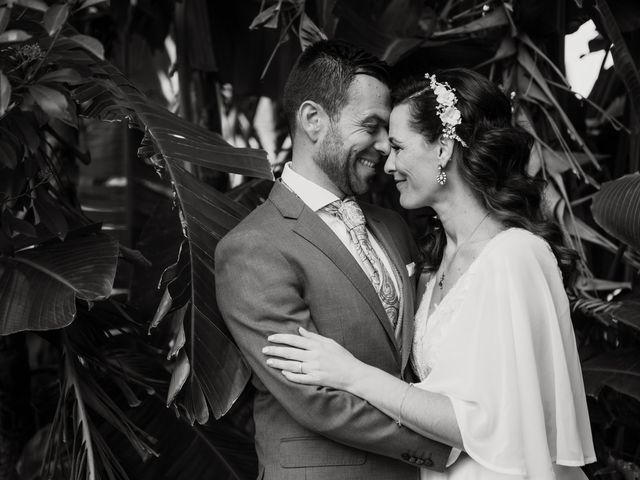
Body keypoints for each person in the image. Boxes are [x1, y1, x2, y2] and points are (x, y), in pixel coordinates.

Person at [263, 68, 596, 479]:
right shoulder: (433, 259)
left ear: (442, 149)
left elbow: (487, 422)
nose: (388, 165)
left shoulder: (514, 256)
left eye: (399, 147)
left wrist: (351, 373)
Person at [215, 40, 452, 480]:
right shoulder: (252, 248)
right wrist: (451, 446)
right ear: (313, 120)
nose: (386, 146)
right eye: (372, 126)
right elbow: (315, 396)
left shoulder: (393, 226)